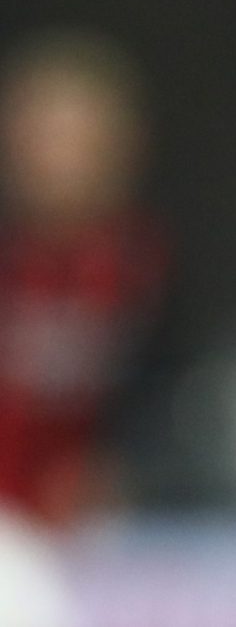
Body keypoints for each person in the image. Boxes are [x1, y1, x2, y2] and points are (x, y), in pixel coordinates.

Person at [0, 31, 167, 528]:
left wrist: (129, 472)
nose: (60, 161)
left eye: (80, 140)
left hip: (109, 536)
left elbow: (176, 404)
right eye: (45, 138)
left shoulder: (151, 267)